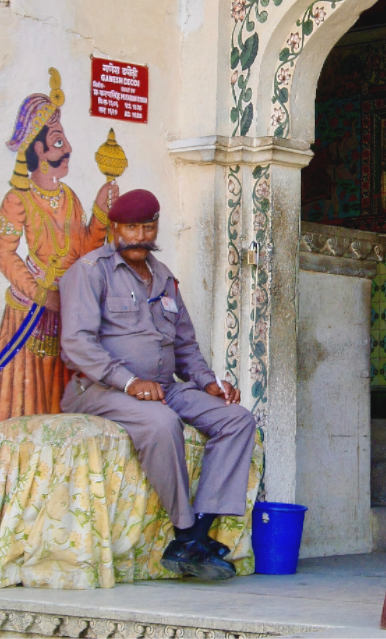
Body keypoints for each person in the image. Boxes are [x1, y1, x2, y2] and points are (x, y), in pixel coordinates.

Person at [59, 189, 257, 581]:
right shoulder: (90, 271)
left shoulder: (163, 277)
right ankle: (185, 533)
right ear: (115, 229)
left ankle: (196, 534)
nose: (140, 235)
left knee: (237, 419)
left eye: (148, 226)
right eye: (131, 227)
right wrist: (129, 382)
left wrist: (208, 382)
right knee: (162, 423)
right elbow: (77, 345)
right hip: (102, 389)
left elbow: (185, 344)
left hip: (165, 384)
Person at [0, 70, 117, 469]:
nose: (66, 148)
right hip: (28, 317)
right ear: (36, 149)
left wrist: (102, 211)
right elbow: (6, 255)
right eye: (56, 142)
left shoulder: (69, 197)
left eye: (64, 139)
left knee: (62, 395)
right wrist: (40, 293)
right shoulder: (17, 200)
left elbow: (84, 249)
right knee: (25, 398)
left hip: (67, 309)